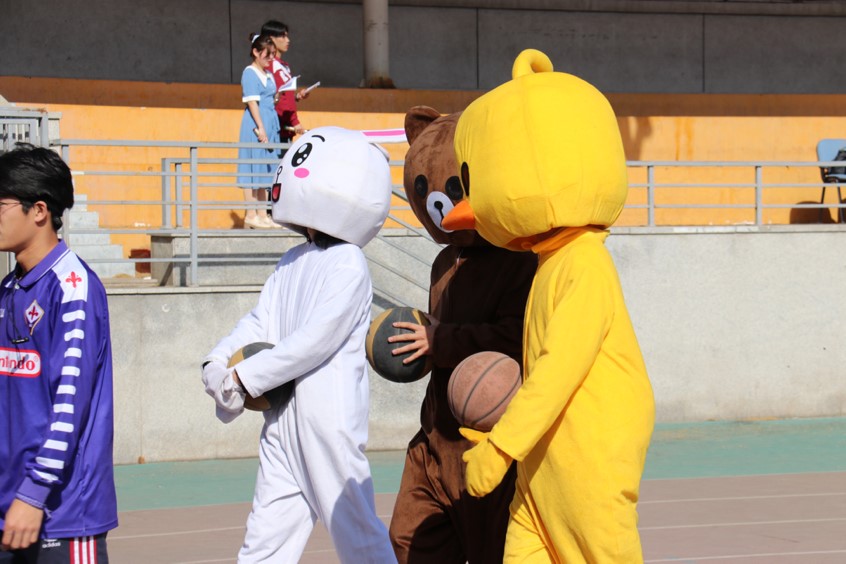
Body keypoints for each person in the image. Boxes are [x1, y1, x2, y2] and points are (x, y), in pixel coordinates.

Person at [443, 49, 655, 562]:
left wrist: (501, 446)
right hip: (542, 465)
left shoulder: (585, 265)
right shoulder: (548, 263)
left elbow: (559, 371)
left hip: (588, 459)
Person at [202, 127, 397, 563]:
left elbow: (314, 341)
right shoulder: (291, 261)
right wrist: (217, 360)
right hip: (280, 419)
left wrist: (244, 378)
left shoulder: (348, 263)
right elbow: (260, 322)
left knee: (357, 533)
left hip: (327, 422)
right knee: (265, 539)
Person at [386, 107, 537, 563]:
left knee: (493, 551)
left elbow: (515, 339)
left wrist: (442, 342)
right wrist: (421, 346)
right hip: (434, 438)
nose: (439, 203)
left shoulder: (520, 259)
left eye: (453, 189)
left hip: (488, 440)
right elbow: (439, 334)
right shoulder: (443, 263)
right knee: (409, 538)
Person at [0, 144, 118, 562]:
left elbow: (69, 404)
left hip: (62, 516)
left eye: (0, 206)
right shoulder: (10, 289)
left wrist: (33, 494)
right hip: (10, 511)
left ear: (39, 211)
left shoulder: (73, 289)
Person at [237, 33, 281, 230]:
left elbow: (268, 98)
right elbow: (252, 102)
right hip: (256, 124)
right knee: (251, 166)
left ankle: (263, 214)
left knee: (265, 168)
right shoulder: (249, 72)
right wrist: (260, 127)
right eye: (267, 54)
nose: (271, 58)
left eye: (273, 54)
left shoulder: (268, 74)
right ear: (255, 52)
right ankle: (251, 214)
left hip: (269, 121)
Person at [260, 20, 310, 144]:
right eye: (283, 36)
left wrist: (296, 96)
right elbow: (277, 98)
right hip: (277, 130)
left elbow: (283, 94)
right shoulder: (269, 64)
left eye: (287, 36)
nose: (288, 40)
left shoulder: (283, 65)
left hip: (285, 129)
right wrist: (295, 121)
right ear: (271, 39)